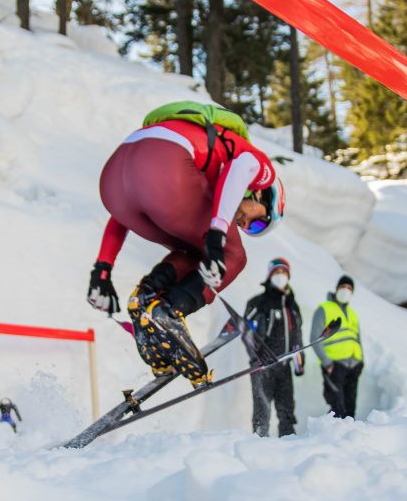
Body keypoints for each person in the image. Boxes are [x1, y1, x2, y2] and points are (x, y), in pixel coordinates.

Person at [85, 101, 286, 388]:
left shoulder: (201, 170)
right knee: (235, 255)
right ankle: (169, 310)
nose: (243, 225)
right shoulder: (261, 168)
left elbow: (125, 209)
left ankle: (147, 298)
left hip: (115, 179)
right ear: (264, 196)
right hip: (166, 165)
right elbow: (240, 167)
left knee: (192, 250)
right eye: (257, 222)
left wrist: (102, 268)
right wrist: (217, 235)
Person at [243, 257, 304, 437]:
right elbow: (246, 332)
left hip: (284, 366)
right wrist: (256, 356)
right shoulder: (258, 302)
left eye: (283, 272)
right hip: (263, 366)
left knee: (287, 412)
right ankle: (258, 447)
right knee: (262, 413)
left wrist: (299, 363)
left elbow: (297, 334)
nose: (280, 276)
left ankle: (288, 446)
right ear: (270, 276)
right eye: (277, 272)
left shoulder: (292, 305)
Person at [311, 275, 363, 419]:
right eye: (343, 287)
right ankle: (327, 436)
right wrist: (327, 363)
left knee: (350, 409)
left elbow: (357, 338)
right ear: (336, 288)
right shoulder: (324, 309)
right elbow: (314, 338)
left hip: (354, 366)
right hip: (334, 366)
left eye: (349, 288)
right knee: (337, 408)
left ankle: (349, 440)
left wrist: (361, 361)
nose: (345, 291)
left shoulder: (353, 314)